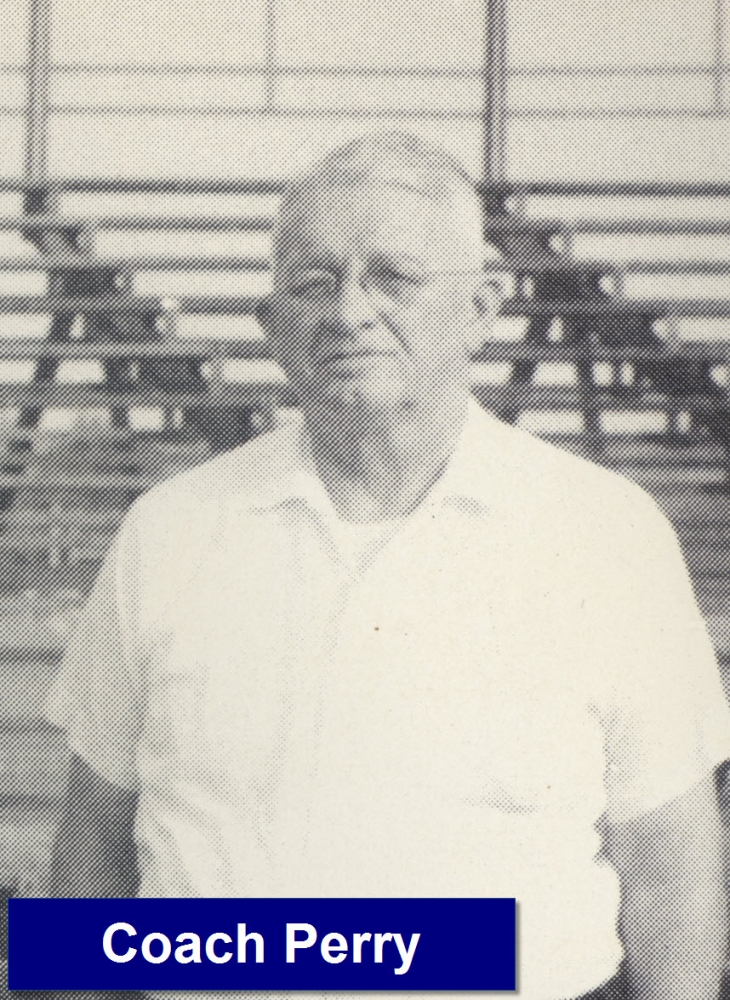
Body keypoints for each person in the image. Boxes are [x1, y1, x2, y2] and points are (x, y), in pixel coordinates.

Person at [46, 132, 730, 1000]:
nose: (348, 313)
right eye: (313, 282)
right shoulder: (168, 532)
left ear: (482, 309)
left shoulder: (609, 534)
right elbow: (92, 848)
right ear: (271, 327)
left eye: (391, 278)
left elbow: (671, 871)